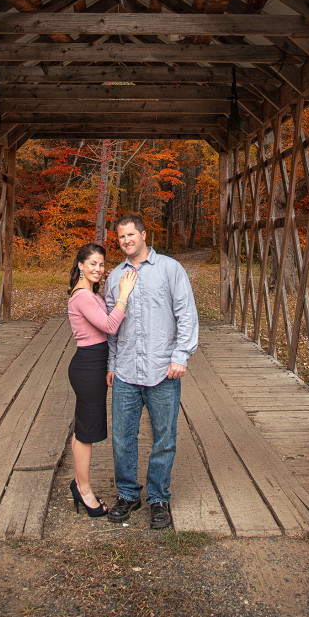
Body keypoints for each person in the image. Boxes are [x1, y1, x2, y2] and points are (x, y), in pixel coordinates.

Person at [104, 215, 199, 529]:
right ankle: (128, 494)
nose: (126, 240)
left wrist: (180, 356)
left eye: (131, 234)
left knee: (164, 439)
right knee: (121, 438)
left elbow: (186, 313)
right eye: (121, 237)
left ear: (143, 235)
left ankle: (159, 498)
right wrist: (112, 365)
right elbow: (111, 329)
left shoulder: (170, 269)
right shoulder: (114, 277)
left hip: (163, 370)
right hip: (127, 371)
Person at [67, 243, 138, 517]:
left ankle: (79, 483)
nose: (98, 268)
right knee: (87, 432)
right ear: (80, 265)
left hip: (95, 364)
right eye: (92, 263)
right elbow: (109, 326)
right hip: (87, 366)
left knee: (83, 428)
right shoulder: (82, 296)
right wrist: (124, 294)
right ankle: (84, 490)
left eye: (101, 264)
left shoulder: (90, 293)